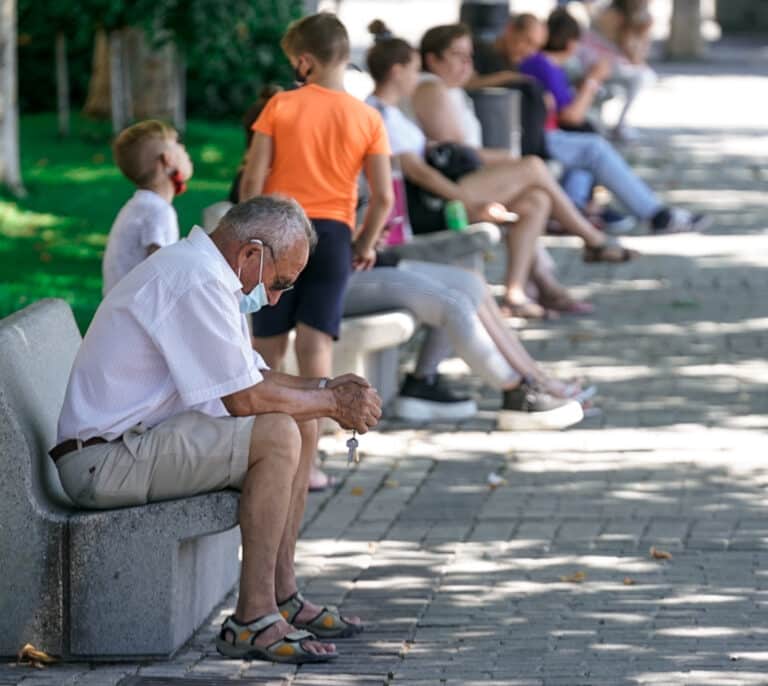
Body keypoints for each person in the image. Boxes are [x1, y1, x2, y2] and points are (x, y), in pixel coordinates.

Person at [52, 196, 382, 664]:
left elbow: (254, 377)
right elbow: (243, 399)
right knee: (278, 434)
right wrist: (332, 402)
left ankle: (281, 594)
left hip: (129, 446)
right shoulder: (193, 280)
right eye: (278, 283)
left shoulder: (203, 274)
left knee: (300, 424)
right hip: (102, 462)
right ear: (251, 253)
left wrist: (327, 390)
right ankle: (253, 619)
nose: (273, 299)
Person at [238, 13, 393, 491]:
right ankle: (309, 469)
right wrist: (365, 244)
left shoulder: (281, 106)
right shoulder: (368, 117)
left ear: (304, 61)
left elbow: (252, 177)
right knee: (315, 352)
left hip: (278, 233)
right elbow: (384, 198)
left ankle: (264, 459)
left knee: (266, 350)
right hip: (332, 235)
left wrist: (248, 235)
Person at [407, 22, 636, 317]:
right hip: (441, 193)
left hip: (463, 184)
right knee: (532, 166)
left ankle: (515, 293)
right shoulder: (431, 88)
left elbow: (472, 95)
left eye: (470, 55)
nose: (466, 64)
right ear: (432, 59)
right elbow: (454, 156)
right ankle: (591, 238)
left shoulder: (450, 89)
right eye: (457, 56)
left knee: (536, 200)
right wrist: (504, 157)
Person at [519, 9, 711, 234]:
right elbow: (571, 116)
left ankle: (575, 209)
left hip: (543, 134)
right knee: (594, 148)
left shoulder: (546, 65)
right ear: (572, 44)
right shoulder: (542, 65)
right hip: (540, 137)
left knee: (588, 145)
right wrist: (592, 80)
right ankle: (655, 214)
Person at [102, 120, 193, 295]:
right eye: (178, 145)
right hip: (136, 317)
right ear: (167, 159)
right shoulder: (158, 211)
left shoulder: (139, 206)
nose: (184, 149)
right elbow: (163, 274)